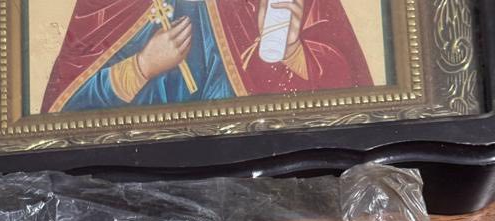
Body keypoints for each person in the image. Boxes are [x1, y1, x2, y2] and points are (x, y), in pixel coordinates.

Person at [41, 0, 373, 113]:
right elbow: (61, 118)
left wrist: (290, 51)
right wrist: (139, 68)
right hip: (133, 187)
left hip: (269, 174)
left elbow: (353, 101)